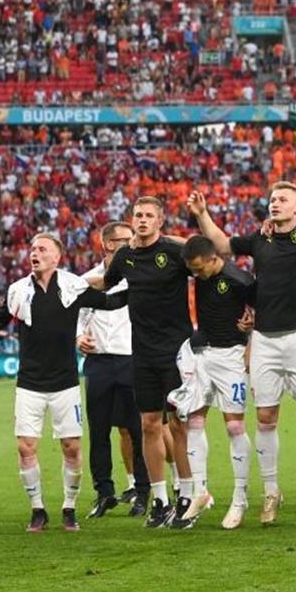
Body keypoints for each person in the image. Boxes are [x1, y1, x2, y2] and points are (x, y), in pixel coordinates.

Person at [188, 183, 296, 522]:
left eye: (283, 200)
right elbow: (222, 245)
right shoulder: (259, 239)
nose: (275, 204)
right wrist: (202, 214)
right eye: (272, 200)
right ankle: (270, 492)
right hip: (264, 339)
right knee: (266, 419)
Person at [0, 233, 127, 533]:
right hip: (29, 383)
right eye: (32, 249)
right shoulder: (17, 290)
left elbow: (109, 301)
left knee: (71, 447)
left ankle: (69, 508)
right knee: (26, 448)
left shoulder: (73, 286)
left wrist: (143, 288)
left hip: (65, 383)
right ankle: (37, 509)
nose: (34, 253)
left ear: (57, 257)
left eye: (42, 249)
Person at [95, 196, 194, 529]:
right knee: (149, 425)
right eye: (138, 215)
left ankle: (187, 497)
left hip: (177, 351)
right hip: (143, 352)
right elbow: (106, 285)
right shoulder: (124, 257)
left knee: (179, 425)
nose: (142, 220)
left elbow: (207, 252)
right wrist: (70, 284)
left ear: (160, 220)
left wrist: (177, 239)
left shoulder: (176, 253)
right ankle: (160, 499)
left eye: (149, 215)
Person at [172, 235, 256, 529]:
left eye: (198, 269)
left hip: (232, 356)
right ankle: (200, 491)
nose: (195, 275)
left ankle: (240, 499)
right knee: (194, 421)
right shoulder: (201, 269)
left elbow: (261, 313)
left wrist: (250, 342)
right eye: (191, 270)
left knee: (234, 426)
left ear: (213, 259)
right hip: (202, 354)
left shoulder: (240, 280)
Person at [77, 221, 150, 519]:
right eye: (122, 240)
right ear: (106, 244)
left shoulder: (141, 277)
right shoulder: (87, 280)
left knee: (137, 430)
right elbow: (76, 317)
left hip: (132, 360)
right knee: (98, 431)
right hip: (98, 362)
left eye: (131, 239)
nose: (129, 244)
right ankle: (104, 492)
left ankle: (143, 492)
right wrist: (78, 337)